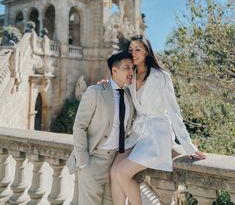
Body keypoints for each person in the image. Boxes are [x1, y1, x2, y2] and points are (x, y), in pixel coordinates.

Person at [110, 35, 206, 205]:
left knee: (122, 173)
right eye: (130, 50)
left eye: (138, 49)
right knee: (113, 171)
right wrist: (105, 84)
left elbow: (174, 111)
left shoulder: (161, 76)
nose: (133, 53)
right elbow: (117, 89)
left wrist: (188, 146)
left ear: (147, 51)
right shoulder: (130, 77)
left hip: (156, 135)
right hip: (138, 132)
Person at [67, 50, 135, 205]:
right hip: (94, 161)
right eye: (127, 68)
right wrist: (84, 163)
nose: (131, 71)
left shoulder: (131, 97)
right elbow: (79, 127)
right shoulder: (96, 91)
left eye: (132, 68)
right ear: (114, 70)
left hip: (116, 165)